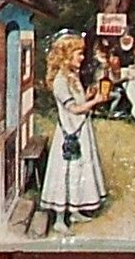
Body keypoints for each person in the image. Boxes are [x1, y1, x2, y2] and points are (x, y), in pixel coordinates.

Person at [33, 32, 109, 234]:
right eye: (78, 54)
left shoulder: (72, 76)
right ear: (66, 56)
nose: (82, 58)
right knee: (68, 172)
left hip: (81, 130)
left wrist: (89, 96)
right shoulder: (60, 81)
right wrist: (96, 101)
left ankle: (75, 210)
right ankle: (59, 219)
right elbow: (73, 109)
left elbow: (80, 102)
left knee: (81, 170)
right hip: (70, 133)